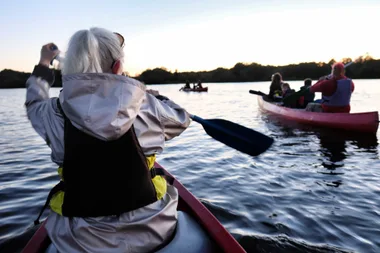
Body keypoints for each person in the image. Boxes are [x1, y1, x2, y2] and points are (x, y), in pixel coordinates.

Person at [25, 27, 191, 253]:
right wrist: (150, 94)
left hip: (81, 242)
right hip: (155, 231)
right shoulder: (147, 107)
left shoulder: (48, 114)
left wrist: (44, 63)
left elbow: (34, 103)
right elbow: (181, 119)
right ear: (118, 67)